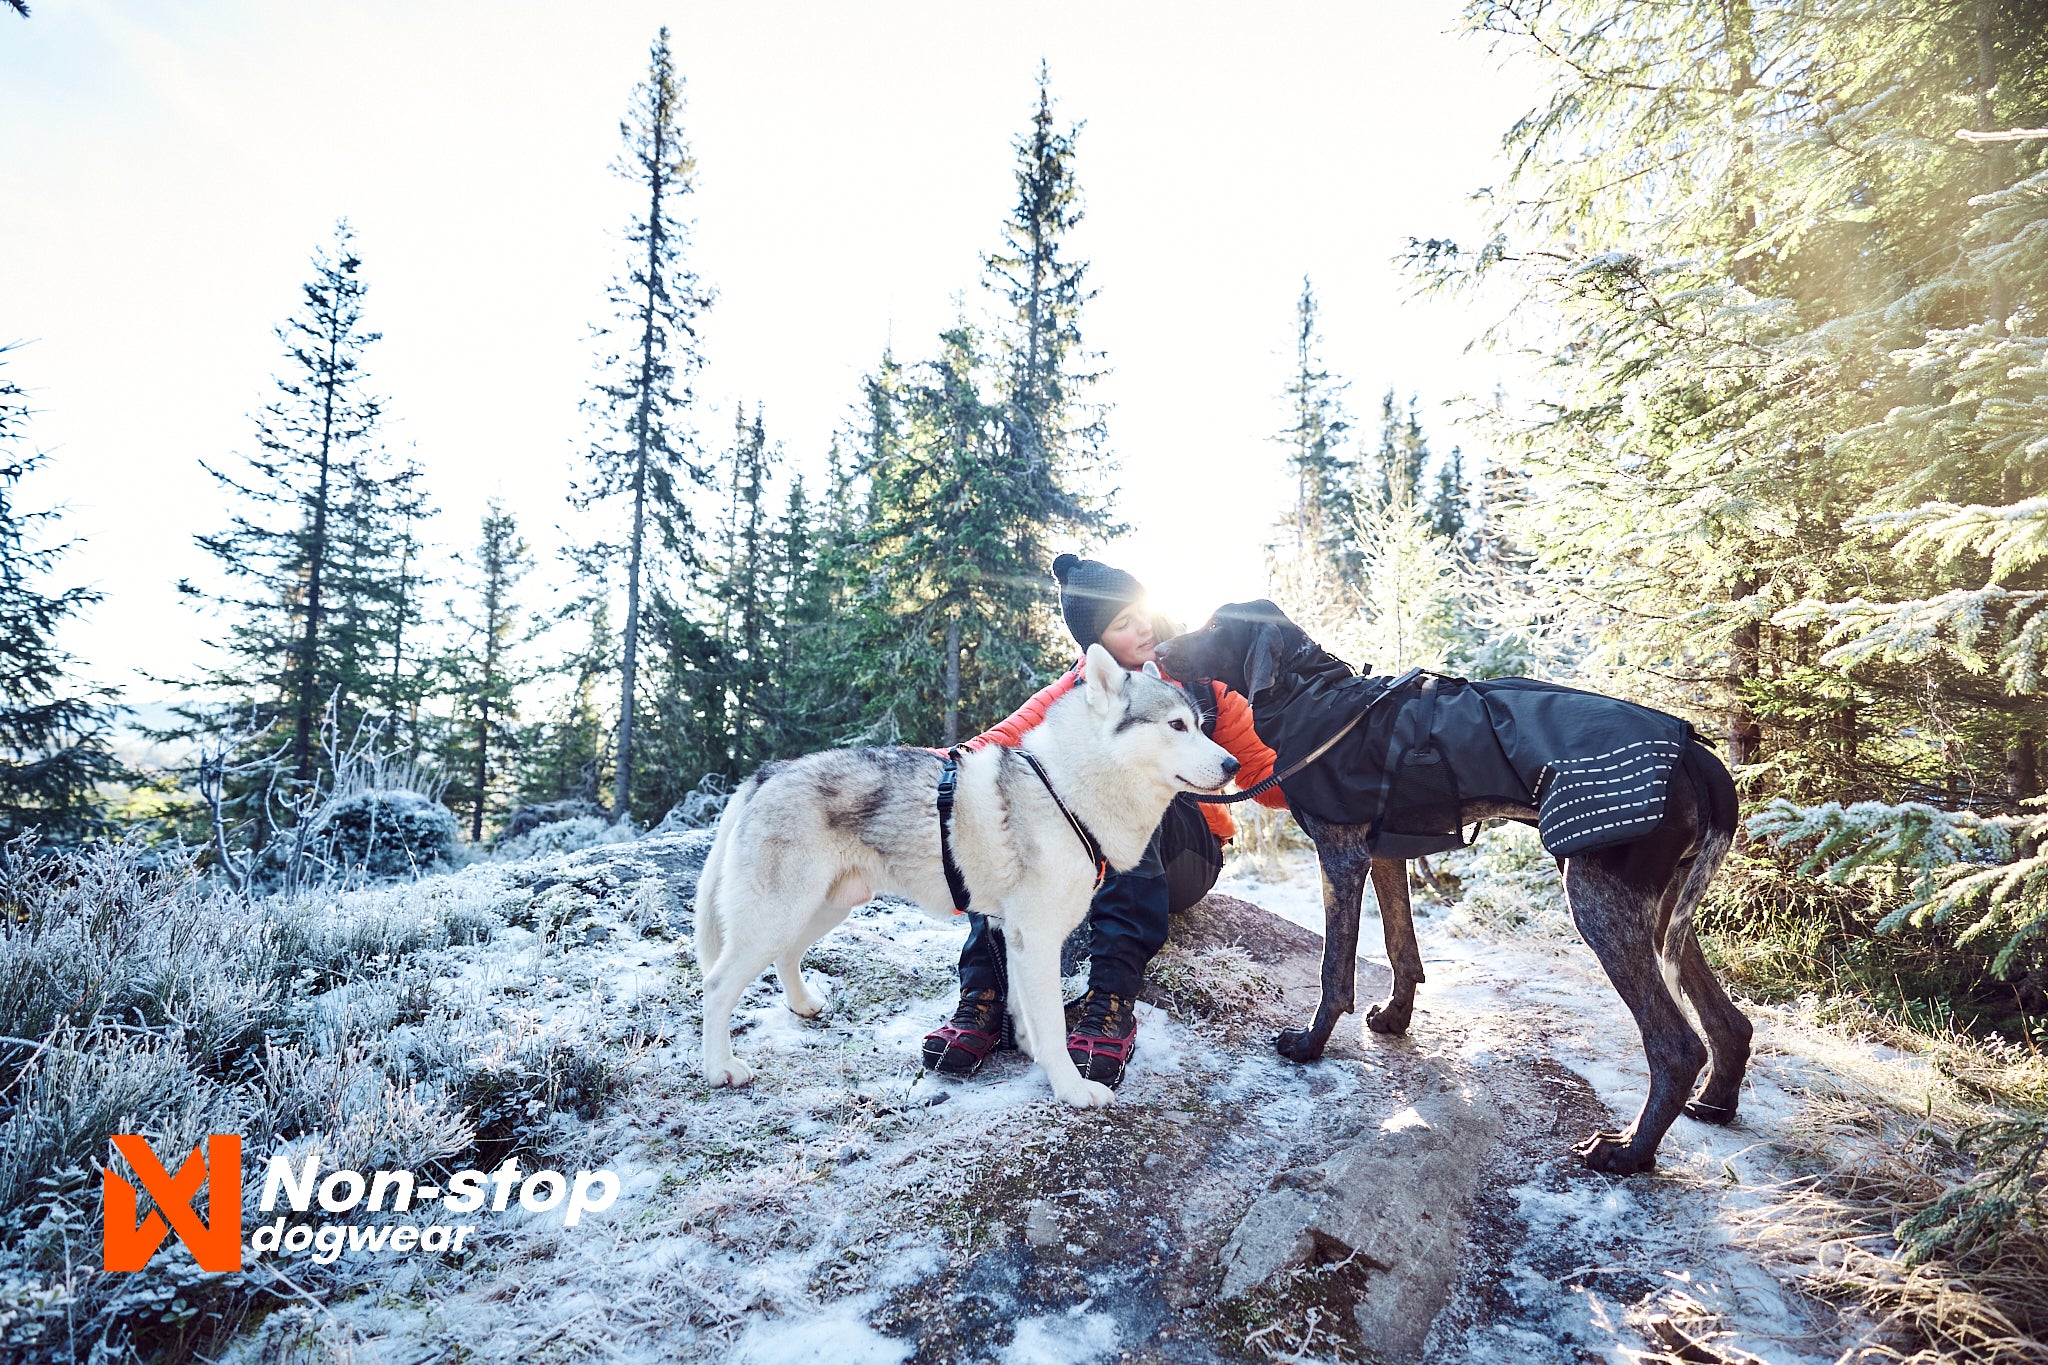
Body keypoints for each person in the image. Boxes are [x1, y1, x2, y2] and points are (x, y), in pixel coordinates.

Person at [921, 553, 1290, 1087]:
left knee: (1128, 797)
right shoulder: (1074, 694)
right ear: (1097, 643)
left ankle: (1111, 1004)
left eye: (1141, 612)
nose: (1143, 628)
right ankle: (982, 998)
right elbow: (989, 747)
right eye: (1123, 623)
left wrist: (1331, 784)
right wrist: (910, 771)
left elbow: (1263, 769)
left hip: (1185, 854)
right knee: (1005, 813)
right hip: (1088, 866)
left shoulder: (1201, 681)